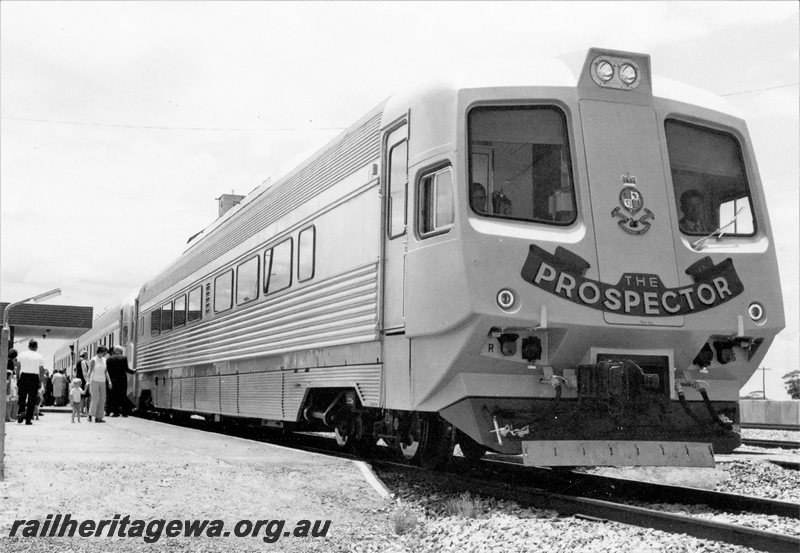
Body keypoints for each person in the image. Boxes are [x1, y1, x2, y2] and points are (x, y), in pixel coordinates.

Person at [16, 339, 45, 425]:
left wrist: (18, 377)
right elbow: (41, 370)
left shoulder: (22, 354)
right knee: (32, 399)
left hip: (23, 376)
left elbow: (18, 367)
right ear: (36, 347)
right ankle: (28, 419)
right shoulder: (39, 356)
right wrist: (40, 381)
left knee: (22, 396)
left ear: (28, 346)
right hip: (34, 377)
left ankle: (21, 412)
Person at [106, 347, 135, 417]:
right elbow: (127, 369)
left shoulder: (109, 359)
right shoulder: (124, 358)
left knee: (114, 396)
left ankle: (116, 412)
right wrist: (134, 371)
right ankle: (124, 413)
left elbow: (107, 370)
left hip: (113, 380)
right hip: (122, 380)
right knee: (122, 395)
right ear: (120, 352)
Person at [86, 346, 111, 423]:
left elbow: (106, 371)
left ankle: (99, 417)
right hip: (94, 381)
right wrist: (88, 381)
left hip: (102, 381)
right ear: (100, 351)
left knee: (102, 399)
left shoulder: (105, 360)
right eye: (104, 352)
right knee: (95, 398)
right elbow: (89, 371)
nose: (105, 353)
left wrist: (109, 381)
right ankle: (90, 415)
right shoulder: (93, 360)